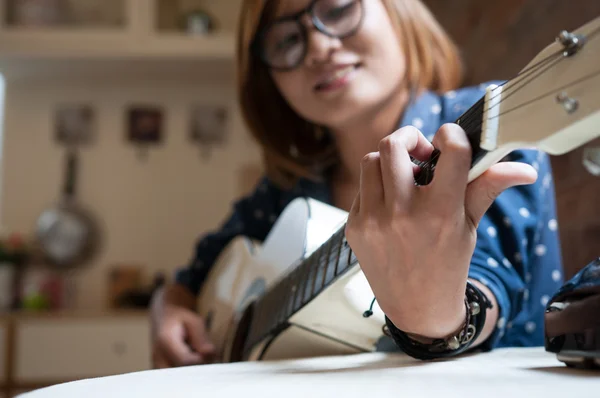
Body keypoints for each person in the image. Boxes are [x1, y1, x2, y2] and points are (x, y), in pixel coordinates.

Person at [150, 0, 564, 368]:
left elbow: (490, 285)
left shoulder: (479, 125)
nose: (318, 48)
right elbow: (195, 274)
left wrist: (435, 318)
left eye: (337, 9)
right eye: (285, 40)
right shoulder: (286, 190)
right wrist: (168, 310)